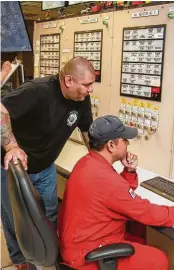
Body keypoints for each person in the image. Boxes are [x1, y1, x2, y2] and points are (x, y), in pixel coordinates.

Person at [58, 115, 174, 270]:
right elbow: (146, 212)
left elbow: (115, 199)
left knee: (139, 235)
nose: (128, 144)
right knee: (159, 259)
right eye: (125, 140)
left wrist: (129, 171)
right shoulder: (106, 180)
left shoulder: (87, 162)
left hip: (76, 246)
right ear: (111, 145)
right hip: (86, 257)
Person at [1, 56, 96, 270]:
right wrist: (11, 147)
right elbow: (1, 109)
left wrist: (101, 161)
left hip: (45, 167)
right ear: (69, 80)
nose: (90, 90)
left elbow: (87, 132)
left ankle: (47, 258)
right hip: (13, 168)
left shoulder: (82, 100)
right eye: (87, 84)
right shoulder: (37, 90)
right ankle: (20, 261)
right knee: (15, 220)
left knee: (49, 215)